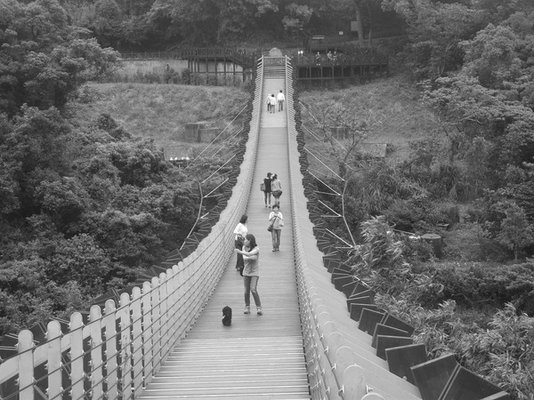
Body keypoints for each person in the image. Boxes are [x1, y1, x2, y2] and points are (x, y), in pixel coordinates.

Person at [235, 234, 262, 315]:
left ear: (250, 241)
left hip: (254, 272)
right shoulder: (244, 248)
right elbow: (245, 258)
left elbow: (250, 255)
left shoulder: (256, 249)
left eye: (246, 240)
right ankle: (247, 307)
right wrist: (250, 256)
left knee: (253, 289)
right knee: (246, 291)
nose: (244, 241)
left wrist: (240, 252)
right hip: (246, 272)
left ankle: (259, 308)